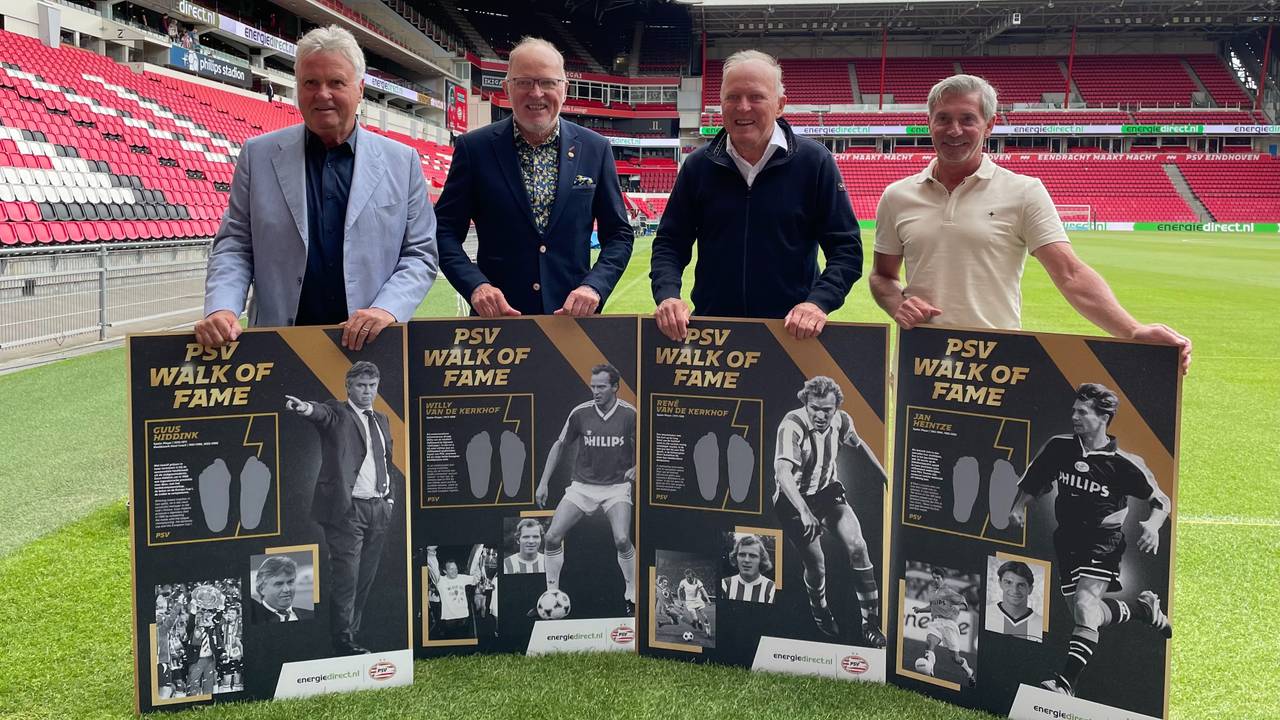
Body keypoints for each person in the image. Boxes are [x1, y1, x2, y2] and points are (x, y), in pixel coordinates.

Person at [870, 74, 1191, 374]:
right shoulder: (897, 196)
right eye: (943, 119)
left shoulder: (1024, 192)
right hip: (922, 362)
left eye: (967, 119)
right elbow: (882, 277)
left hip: (998, 365)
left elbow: (1070, 273)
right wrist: (898, 303)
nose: (954, 130)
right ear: (929, 123)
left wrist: (1131, 330)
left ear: (989, 125)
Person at [196, 25, 437, 351]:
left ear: (360, 89)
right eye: (310, 83)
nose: (322, 94)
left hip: (370, 345)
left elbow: (419, 254)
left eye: (336, 82)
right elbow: (235, 245)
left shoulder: (402, 161)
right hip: (280, 346)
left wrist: (387, 308)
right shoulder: (257, 155)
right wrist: (223, 307)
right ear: (297, 88)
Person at [650, 49, 861, 341]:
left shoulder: (814, 162)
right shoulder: (699, 166)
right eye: (732, 97)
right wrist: (668, 295)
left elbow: (846, 250)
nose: (743, 107)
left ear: (780, 105)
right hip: (716, 337)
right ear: (720, 104)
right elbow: (670, 244)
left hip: (791, 338)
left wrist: (818, 303)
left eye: (756, 97)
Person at [435, 36, 632, 317]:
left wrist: (594, 288)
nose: (536, 93)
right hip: (498, 324)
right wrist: (476, 285)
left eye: (548, 82)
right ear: (507, 88)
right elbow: (443, 231)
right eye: (524, 82)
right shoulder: (474, 148)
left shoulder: (596, 149)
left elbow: (620, 235)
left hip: (573, 323)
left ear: (565, 89)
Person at [1008, 383, 1173, 697]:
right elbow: (1035, 480)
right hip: (1066, 540)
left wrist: (1152, 526)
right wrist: (1018, 507)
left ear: (1103, 418)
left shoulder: (1125, 463)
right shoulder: (1059, 447)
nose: (1074, 416)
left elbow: (1161, 501)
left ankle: (1064, 684)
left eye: (1082, 412)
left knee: (1085, 605)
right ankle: (1143, 611)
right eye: (1073, 410)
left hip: (1102, 541)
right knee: (1088, 615)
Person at [285, 360, 398, 654]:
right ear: (348, 386)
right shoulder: (338, 412)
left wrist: (390, 498)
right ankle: (342, 639)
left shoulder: (382, 419)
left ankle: (353, 632)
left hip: (378, 508)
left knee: (365, 577)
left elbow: (386, 460)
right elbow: (319, 413)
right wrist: (306, 408)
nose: (367, 392)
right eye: (361, 386)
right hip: (347, 511)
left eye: (372, 386)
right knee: (347, 577)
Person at [774, 376, 888, 647]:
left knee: (858, 546)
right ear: (806, 403)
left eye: (827, 410)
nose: (821, 415)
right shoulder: (792, 424)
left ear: (836, 408)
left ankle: (869, 623)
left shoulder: (842, 420)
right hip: (793, 501)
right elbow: (782, 473)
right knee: (817, 565)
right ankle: (820, 609)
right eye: (815, 408)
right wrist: (803, 511)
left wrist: (885, 477)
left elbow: (859, 445)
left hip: (827, 493)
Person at [534, 364, 637, 616]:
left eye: (601, 386)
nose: (596, 391)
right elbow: (559, 445)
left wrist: (637, 467)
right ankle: (551, 594)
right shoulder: (580, 413)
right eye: (593, 386)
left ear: (615, 387)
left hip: (615, 488)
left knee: (622, 539)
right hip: (581, 487)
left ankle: (632, 595)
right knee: (551, 537)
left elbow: (648, 445)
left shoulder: (630, 414)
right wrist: (543, 482)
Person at [916, 568, 976, 687]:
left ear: (943, 579)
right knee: (929, 643)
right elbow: (932, 607)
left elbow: (964, 604)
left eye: (938, 578)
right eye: (933, 578)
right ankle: (930, 671)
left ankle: (969, 672)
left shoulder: (949, 592)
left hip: (949, 625)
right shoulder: (933, 592)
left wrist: (959, 607)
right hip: (936, 623)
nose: (935, 580)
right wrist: (920, 610)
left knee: (956, 658)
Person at [425, 546, 484, 639]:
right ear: (445, 571)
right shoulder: (440, 581)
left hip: (464, 617)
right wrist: (431, 553)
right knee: (451, 642)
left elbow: (476, 579)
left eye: (455, 568)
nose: (455, 571)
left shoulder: (462, 577)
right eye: (451, 569)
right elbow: (433, 568)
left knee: (464, 641)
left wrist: (477, 563)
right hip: (449, 620)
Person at [984, 560, 1043, 642]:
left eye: (1021, 585)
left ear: (1030, 589)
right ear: (1000, 583)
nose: (1014, 590)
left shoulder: (1041, 625)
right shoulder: (986, 614)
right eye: (1008, 582)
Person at [248, 555, 314, 623]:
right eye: (279, 584)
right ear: (262, 589)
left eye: (290, 582)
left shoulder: (312, 615)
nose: (287, 589)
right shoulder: (252, 620)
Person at [720, 534, 776, 604]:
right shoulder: (724, 585)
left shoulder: (772, 589)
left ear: (761, 560)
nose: (746, 560)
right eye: (742, 555)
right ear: (736, 557)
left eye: (753, 556)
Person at [183, 611, 224, 696]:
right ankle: (192, 701)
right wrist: (193, 613)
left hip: (209, 659)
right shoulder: (191, 629)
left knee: (208, 683)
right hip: (197, 660)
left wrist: (220, 610)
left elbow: (217, 619)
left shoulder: (210, 628)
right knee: (193, 682)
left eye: (202, 617)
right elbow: (191, 623)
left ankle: (208, 700)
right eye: (197, 618)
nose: (200, 619)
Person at [677, 569, 712, 635]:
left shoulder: (698, 582)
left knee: (705, 616)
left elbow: (703, 591)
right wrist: (679, 600)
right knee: (695, 619)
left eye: (689, 577)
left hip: (698, 600)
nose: (688, 579)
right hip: (689, 602)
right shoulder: (683, 582)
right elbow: (678, 590)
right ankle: (697, 621)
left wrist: (708, 600)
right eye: (687, 577)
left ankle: (708, 629)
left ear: (693, 576)